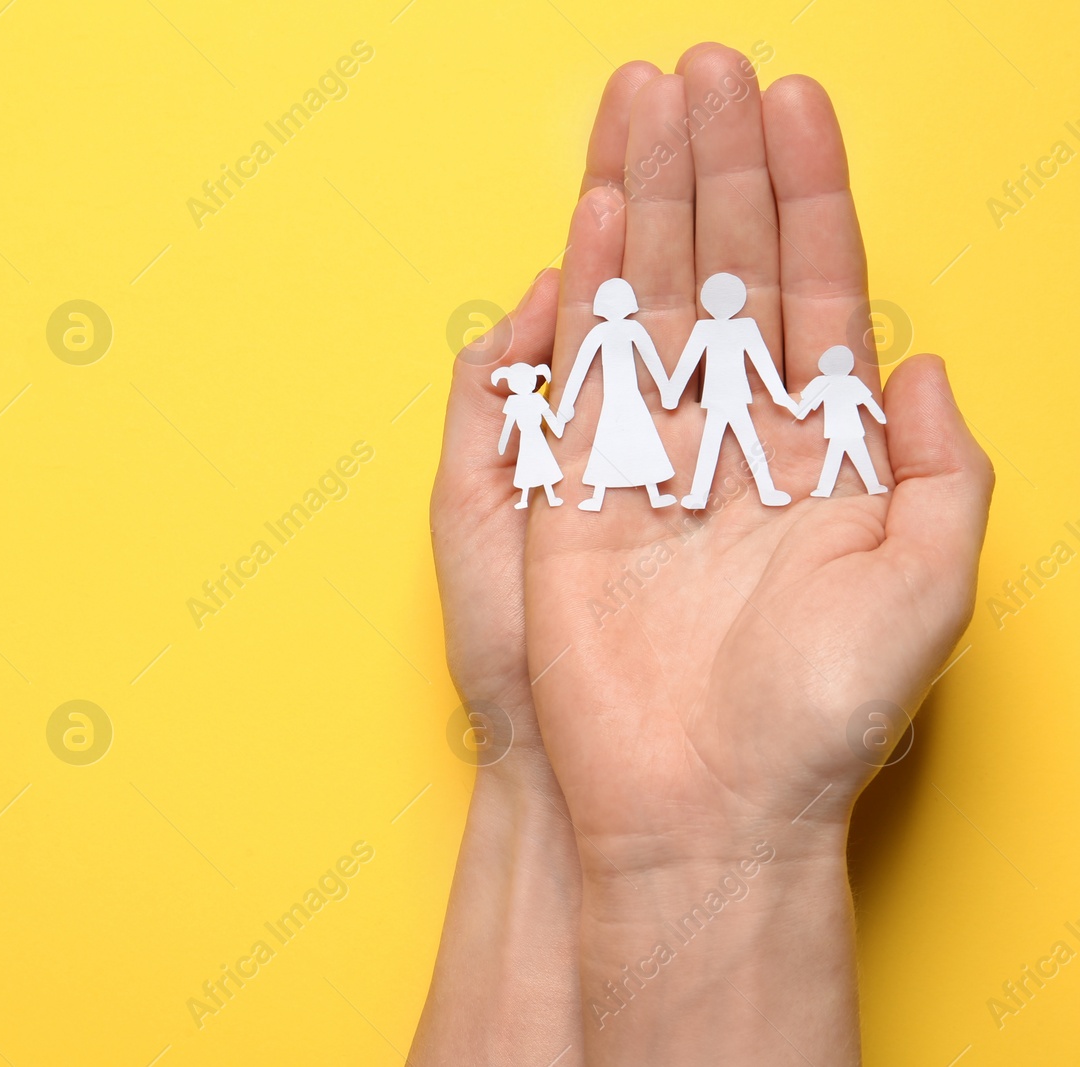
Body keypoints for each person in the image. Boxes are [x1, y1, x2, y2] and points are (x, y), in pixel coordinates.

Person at [416, 44, 992, 1067]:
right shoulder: (663, 357)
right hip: (700, 428)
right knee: (709, 450)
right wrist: (546, 726)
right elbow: (634, 356)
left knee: (721, 451)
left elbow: (646, 358)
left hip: (721, 425)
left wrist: (679, 827)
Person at [664, 271, 798, 508]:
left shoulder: (743, 327)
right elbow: (688, 361)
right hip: (719, 397)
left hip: (731, 396)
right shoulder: (705, 328)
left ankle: (710, 495)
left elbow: (762, 361)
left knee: (734, 443)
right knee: (727, 443)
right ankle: (701, 496)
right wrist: (672, 394)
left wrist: (780, 396)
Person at [555, 278, 676, 511]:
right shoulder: (605, 331)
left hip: (628, 395)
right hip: (617, 396)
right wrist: (567, 404)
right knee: (623, 438)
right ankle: (601, 497)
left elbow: (653, 361)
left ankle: (649, 494)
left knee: (634, 438)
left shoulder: (621, 330)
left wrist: (666, 389)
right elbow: (579, 368)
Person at [795, 344, 890, 496]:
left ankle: (825, 490)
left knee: (836, 459)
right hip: (851, 429)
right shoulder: (849, 382)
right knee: (858, 458)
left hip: (838, 429)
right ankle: (872, 486)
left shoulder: (823, 383)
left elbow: (808, 403)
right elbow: (868, 401)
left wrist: (800, 413)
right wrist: (880, 416)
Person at [493, 362, 566, 507]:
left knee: (543, 463)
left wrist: (558, 428)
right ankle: (523, 500)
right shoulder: (513, 401)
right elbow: (509, 423)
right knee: (526, 466)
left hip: (537, 436)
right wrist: (502, 442)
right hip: (526, 438)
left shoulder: (536, 399)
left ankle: (551, 498)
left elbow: (549, 416)